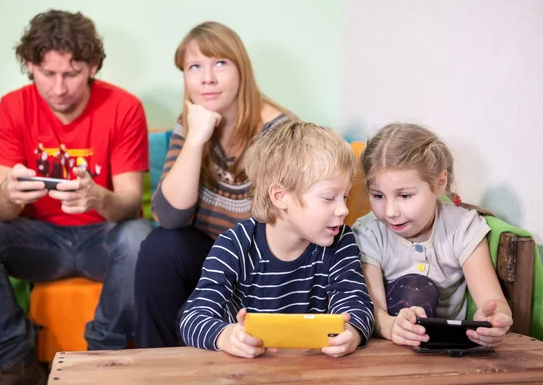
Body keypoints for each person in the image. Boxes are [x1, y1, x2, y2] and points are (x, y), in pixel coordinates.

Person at [0, 10, 152, 385]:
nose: (58, 88)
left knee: (143, 236)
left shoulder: (124, 107)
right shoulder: (13, 106)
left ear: (92, 67)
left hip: (103, 241)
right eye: (47, 73)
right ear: (30, 65)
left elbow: (129, 203)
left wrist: (97, 197)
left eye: (71, 74)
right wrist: (8, 193)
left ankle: (101, 360)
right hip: (39, 241)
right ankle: (18, 365)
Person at [134, 21, 294, 348]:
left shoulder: (279, 132)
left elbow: (282, 227)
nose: (207, 77)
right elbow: (169, 217)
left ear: (241, 70)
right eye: (195, 67)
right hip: (207, 255)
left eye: (220, 63)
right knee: (160, 247)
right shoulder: (193, 123)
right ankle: (157, 367)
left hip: (258, 263)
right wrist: (195, 139)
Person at [179, 121, 374, 357]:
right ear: (280, 196)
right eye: (329, 197)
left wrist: (351, 333)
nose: (343, 210)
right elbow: (193, 317)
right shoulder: (234, 246)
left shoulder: (341, 241)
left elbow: (356, 302)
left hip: (314, 370)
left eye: (344, 196)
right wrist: (227, 336)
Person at [352, 123, 513, 349]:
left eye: (405, 195)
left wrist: (493, 322)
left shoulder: (463, 228)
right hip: (389, 352)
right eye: (378, 195)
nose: (390, 212)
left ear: (440, 183)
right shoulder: (368, 233)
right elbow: (374, 310)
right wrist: (391, 326)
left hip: (448, 353)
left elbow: (493, 303)